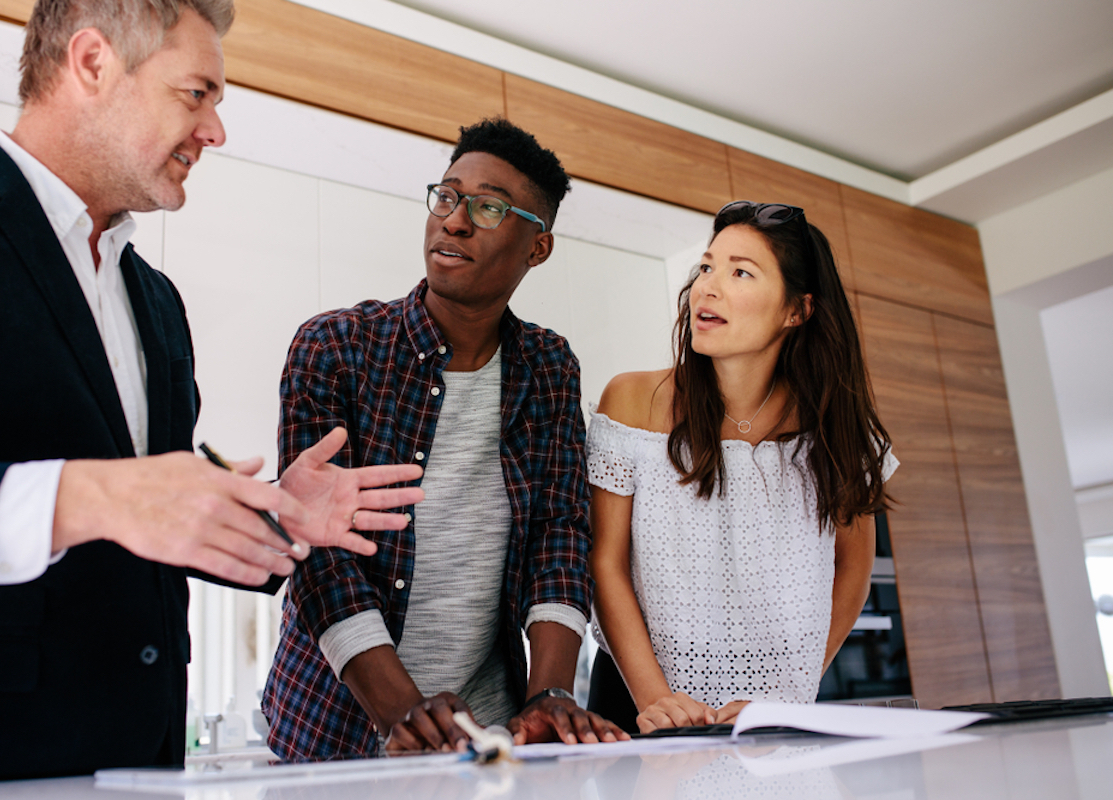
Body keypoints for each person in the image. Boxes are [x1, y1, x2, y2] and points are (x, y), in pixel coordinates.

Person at [0, 0, 422, 785]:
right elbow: (116, 501)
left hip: (145, 764)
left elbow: (156, 520)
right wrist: (89, 498)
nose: (215, 131)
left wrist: (273, 512)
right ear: (91, 64)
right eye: (197, 94)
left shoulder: (157, 302)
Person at [264, 118, 628, 760]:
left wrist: (550, 693)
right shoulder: (336, 348)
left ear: (537, 247)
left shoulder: (548, 366)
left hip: (490, 734)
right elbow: (321, 554)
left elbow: (559, 532)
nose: (455, 221)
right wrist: (404, 712)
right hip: (336, 732)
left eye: (488, 207)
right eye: (447, 196)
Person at [586, 201, 896, 734]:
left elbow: (853, 570)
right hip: (636, 700)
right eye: (706, 267)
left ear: (796, 311)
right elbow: (605, 563)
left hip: (768, 717)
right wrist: (657, 700)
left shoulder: (834, 428)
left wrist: (790, 695)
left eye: (740, 273)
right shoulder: (633, 402)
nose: (708, 286)